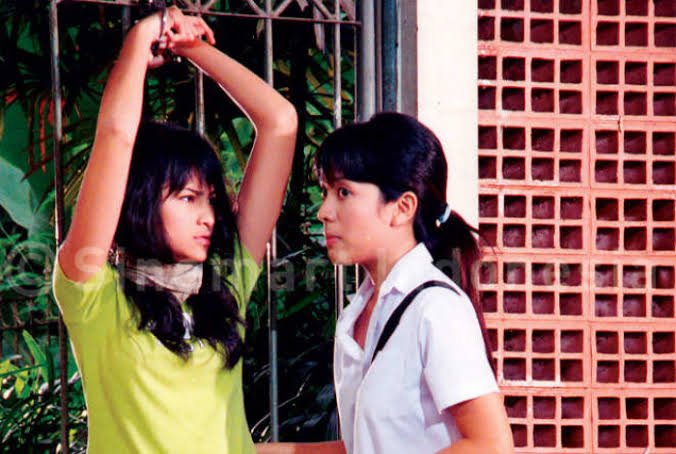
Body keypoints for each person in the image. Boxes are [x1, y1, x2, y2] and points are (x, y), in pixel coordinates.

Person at [52, 6, 297, 454]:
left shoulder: (227, 286)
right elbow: (116, 137)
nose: (208, 217)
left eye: (211, 200)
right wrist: (143, 37)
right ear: (141, 200)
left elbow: (280, 123)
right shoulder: (93, 295)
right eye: (187, 198)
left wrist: (191, 48)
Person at [258, 113, 512, 454]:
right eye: (325, 192)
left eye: (343, 192)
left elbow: (491, 445)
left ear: (402, 208)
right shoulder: (359, 312)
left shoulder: (435, 308)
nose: (324, 211)